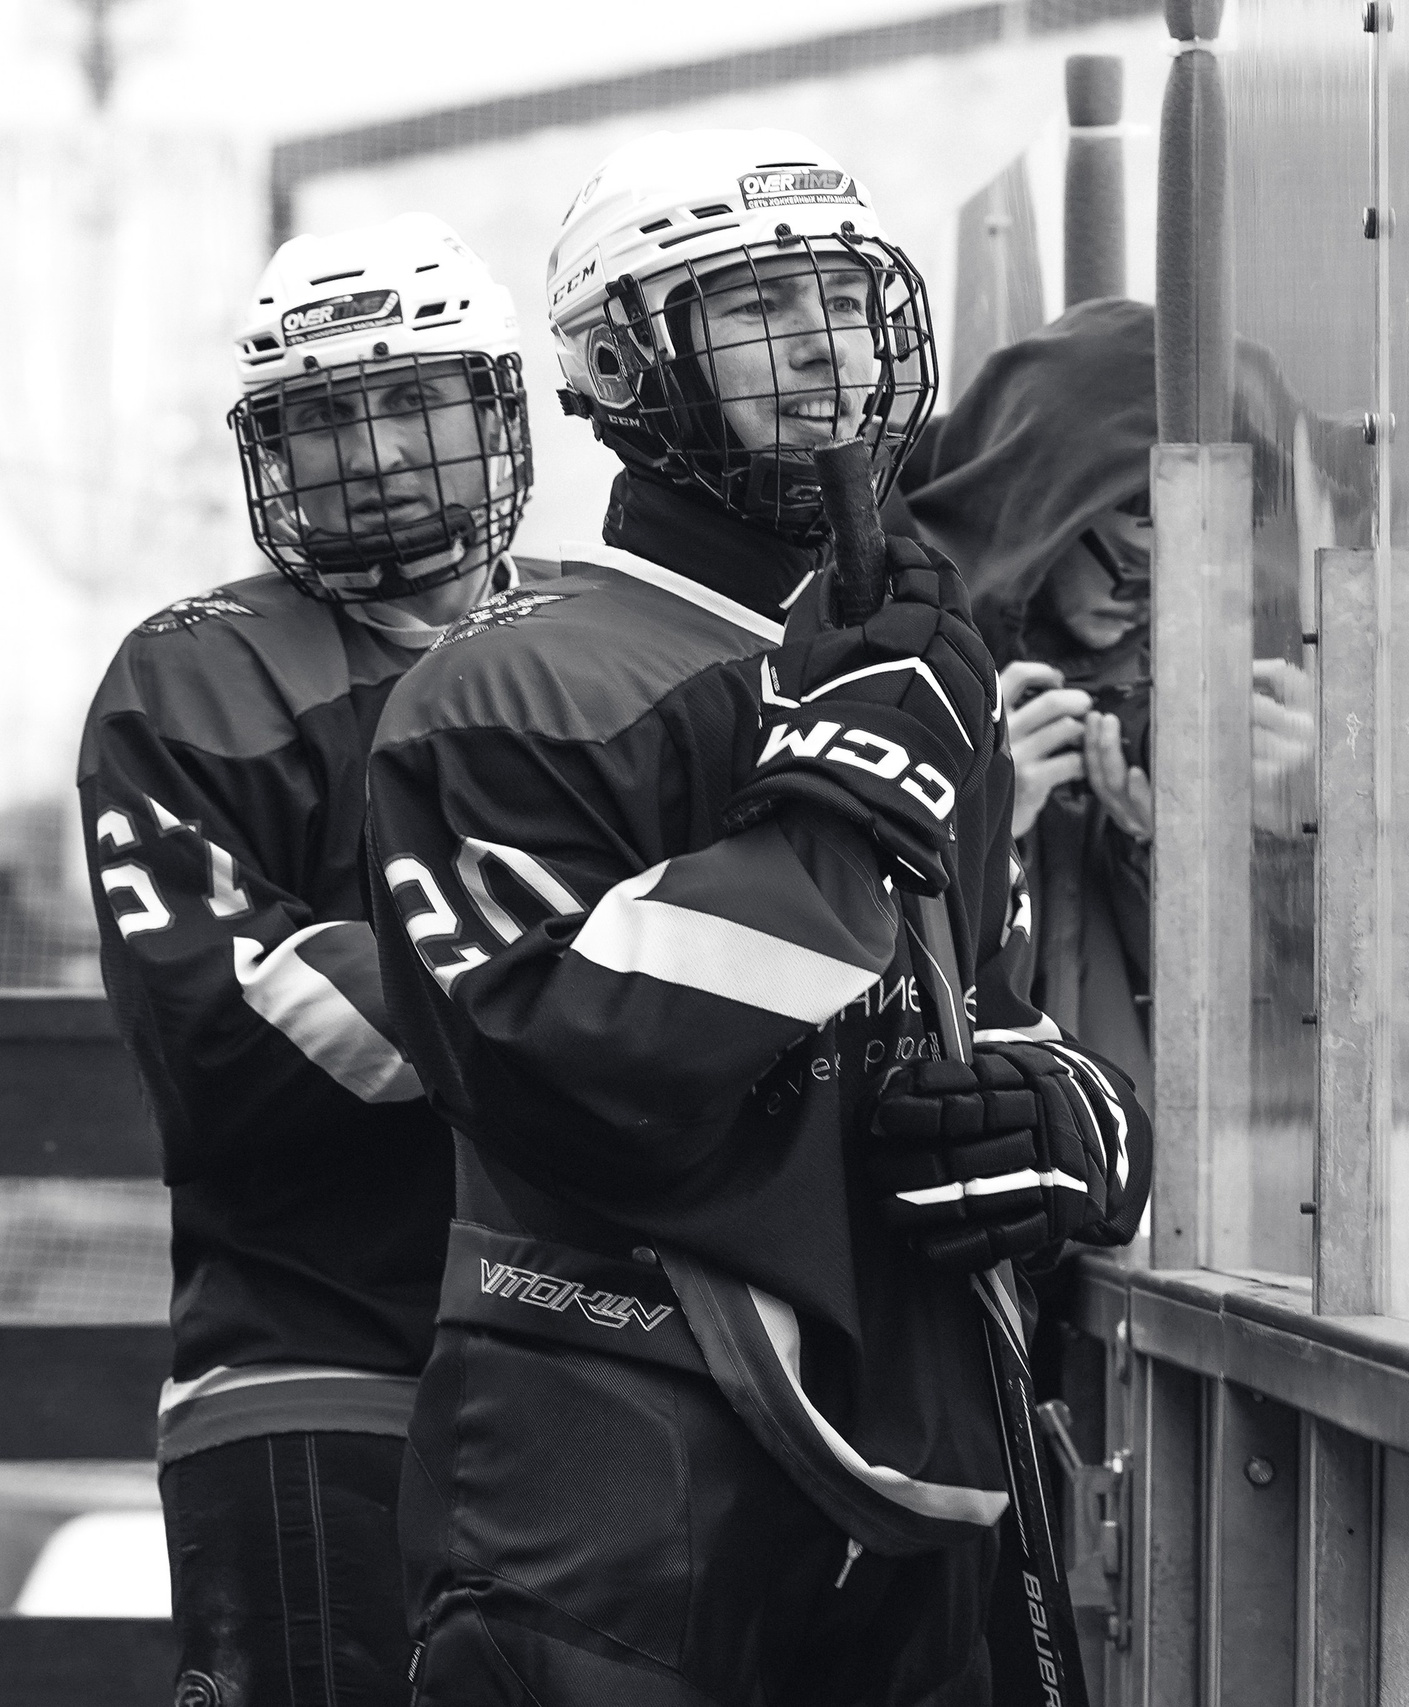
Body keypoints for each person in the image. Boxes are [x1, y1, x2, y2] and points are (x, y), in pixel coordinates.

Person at [368, 129, 1149, 1705]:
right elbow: (569, 1061)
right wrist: (843, 801)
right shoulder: (507, 686)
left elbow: (987, 1003)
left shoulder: (915, 666)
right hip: (609, 1489)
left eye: (845, 303)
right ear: (617, 362)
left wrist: (1073, 1125)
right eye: (756, 308)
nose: (821, 348)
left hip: (914, 1498)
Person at [78, 213, 535, 1706]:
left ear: (497, 407)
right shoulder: (194, 669)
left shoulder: (613, 635)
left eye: (413, 400)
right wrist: (606, 985)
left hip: (602, 1375)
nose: (376, 452)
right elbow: (232, 1037)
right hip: (317, 1369)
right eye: (326, 418)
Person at [891, 295, 1326, 1109]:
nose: (1150, 602)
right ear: (1042, 518)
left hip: (1117, 1149)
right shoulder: (887, 650)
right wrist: (979, 828)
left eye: (1190, 570)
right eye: (1129, 566)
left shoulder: (1204, 680)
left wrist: (1283, 833)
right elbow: (849, 995)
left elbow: (1276, 1034)